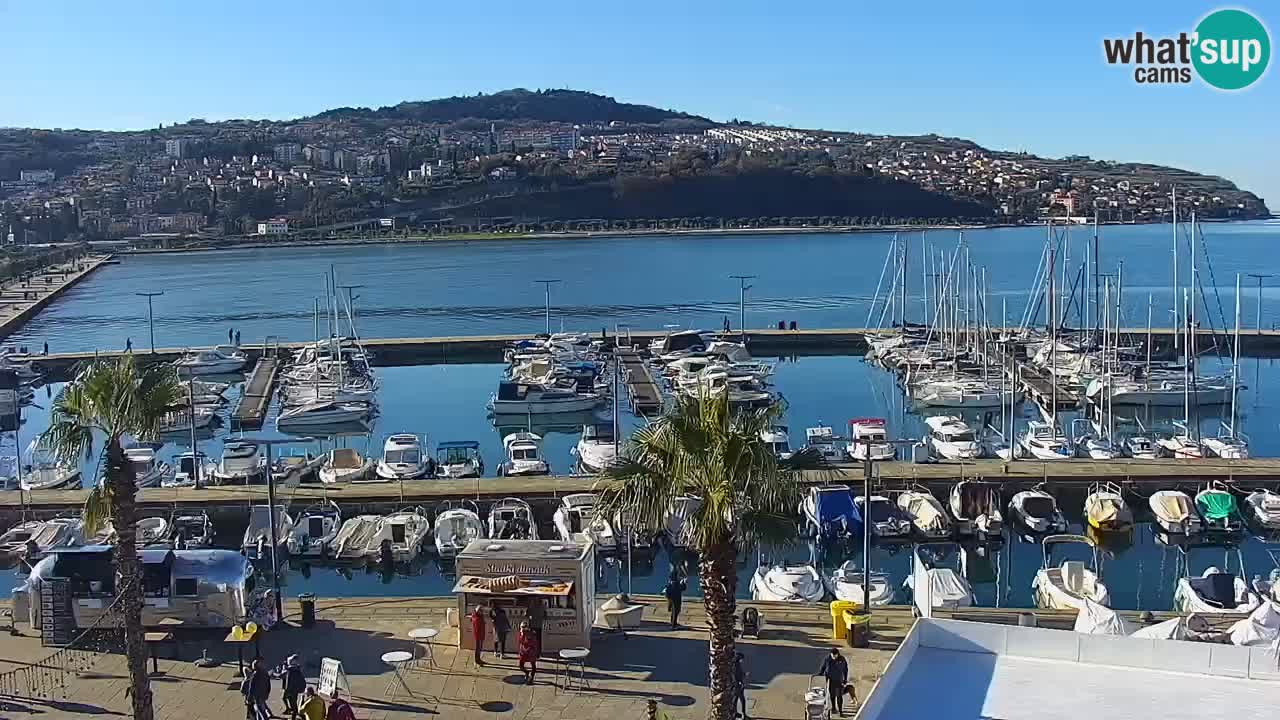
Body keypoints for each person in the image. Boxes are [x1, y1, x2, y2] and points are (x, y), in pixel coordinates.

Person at [818, 647, 849, 716]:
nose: (833, 657)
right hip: (830, 680)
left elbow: (845, 670)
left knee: (839, 696)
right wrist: (820, 674)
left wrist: (845, 679)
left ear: (838, 654)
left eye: (835, 655)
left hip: (839, 680)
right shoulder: (827, 659)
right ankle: (834, 708)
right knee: (832, 695)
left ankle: (840, 711)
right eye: (832, 655)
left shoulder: (842, 659)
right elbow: (823, 667)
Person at [280, 654, 306, 719]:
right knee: (293, 703)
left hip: (290, 690)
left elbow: (283, 677)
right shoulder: (297, 670)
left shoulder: (290, 671)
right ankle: (295, 714)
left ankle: (297, 716)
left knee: (293, 704)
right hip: (295, 689)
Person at [517, 620, 539, 684]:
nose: (522, 629)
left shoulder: (532, 633)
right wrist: (522, 634)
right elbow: (520, 641)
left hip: (531, 651)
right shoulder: (521, 633)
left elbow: (533, 643)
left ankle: (531, 678)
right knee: (521, 666)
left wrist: (536, 652)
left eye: (523, 627)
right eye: (521, 627)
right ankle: (526, 672)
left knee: (533, 665)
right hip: (523, 652)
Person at [734, 652, 749, 719]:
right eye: (742, 659)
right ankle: (743, 714)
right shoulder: (737, 665)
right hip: (738, 686)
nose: (742, 660)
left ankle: (735, 713)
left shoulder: (735, 664)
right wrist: (741, 681)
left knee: (735, 699)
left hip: (735, 685)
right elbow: (738, 675)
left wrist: (744, 674)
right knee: (742, 700)